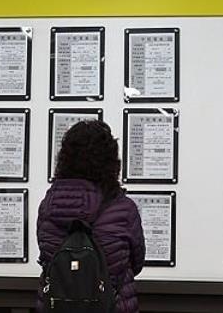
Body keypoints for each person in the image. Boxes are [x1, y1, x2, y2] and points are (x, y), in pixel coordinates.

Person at [36, 120, 145, 313]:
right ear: (111, 161)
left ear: (64, 159)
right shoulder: (123, 209)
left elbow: (47, 257)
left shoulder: (48, 206)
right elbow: (136, 262)